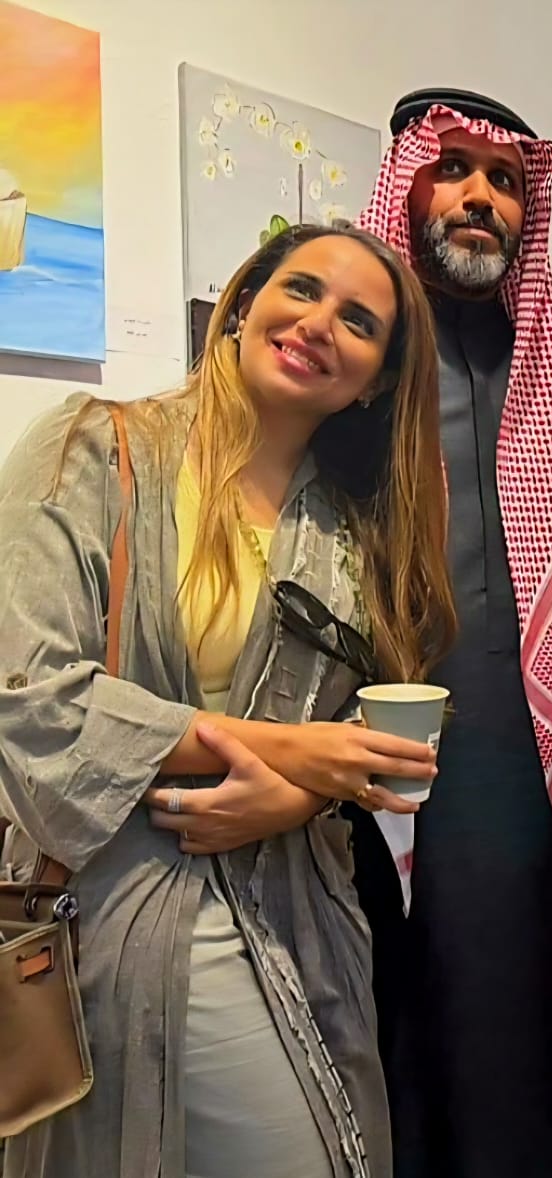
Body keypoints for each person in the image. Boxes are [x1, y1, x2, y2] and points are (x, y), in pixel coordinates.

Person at [0, 223, 454, 1178]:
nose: (319, 323)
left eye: (360, 321)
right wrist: (286, 753)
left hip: (301, 905)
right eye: (302, 290)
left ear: (376, 380)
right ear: (245, 304)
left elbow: (374, 727)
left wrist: (301, 793)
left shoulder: (349, 525)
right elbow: (31, 697)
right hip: (117, 895)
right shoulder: (94, 449)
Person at [354, 89, 552, 1177]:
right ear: (406, 187)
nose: (480, 197)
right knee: (413, 999)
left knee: (532, 995)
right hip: (386, 735)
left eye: (504, 181)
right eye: (453, 168)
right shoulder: (359, 365)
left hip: (530, 743)